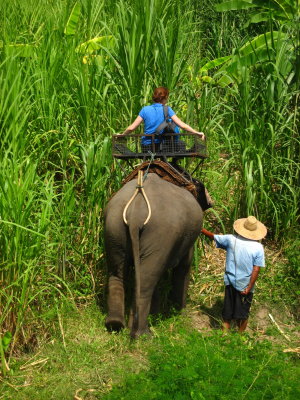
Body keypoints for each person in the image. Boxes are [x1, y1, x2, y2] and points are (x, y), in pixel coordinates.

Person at [201, 216, 267, 333]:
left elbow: (213, 236)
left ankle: (224, 336)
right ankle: (239, 337)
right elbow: (256, 270)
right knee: (243, 314)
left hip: (230, 282)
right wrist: (249, 287)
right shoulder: (258, 248)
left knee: (227, 312)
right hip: (246, 285)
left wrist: (201, 229)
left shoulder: (231, 239)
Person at [121, 87, 205, 152]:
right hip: (162, 147)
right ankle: (174, 165)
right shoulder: (167, 109)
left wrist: (122, 135)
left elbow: (131, 128)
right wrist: (197, 133)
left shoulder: (144, 109)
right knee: (181, 144)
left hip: (146, 147)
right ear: (165, 98)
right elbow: (182, 125)